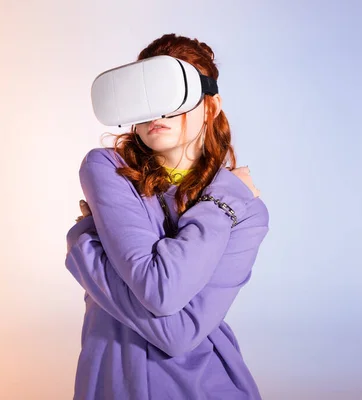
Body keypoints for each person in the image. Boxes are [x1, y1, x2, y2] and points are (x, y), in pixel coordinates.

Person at [65, 33, 270, 400]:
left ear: (210, 106)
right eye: (143, 98)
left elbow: (174, 323)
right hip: (111, 384)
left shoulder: (244, 209)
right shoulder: (107, 169)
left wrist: (86, 249)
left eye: (171, 95)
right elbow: (161, 297)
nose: (155, 113)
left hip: (208, 386)